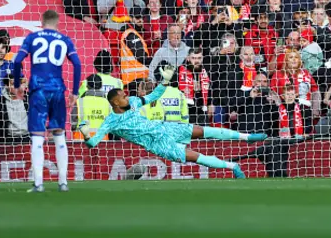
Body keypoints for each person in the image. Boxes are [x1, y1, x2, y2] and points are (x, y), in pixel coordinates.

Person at [78, 64, 268, 179]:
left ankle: (248, 137)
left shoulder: (134, 102)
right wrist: (87, 134)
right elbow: (93, 143)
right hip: (157, 143)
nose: (127, 97)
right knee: (194, 156)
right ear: (115, 102)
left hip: (165, 127)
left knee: (204, 130)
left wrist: (165, 81)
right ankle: (233, 167)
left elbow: (153, 96)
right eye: (123, 97)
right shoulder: (111, 122)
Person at [13, 10, 81, 192]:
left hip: (38, 90)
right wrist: (74, 92)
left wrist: (17, 84)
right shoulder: (64, 39)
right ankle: (63, 183)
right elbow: (77, 64)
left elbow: (17, 61)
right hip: (58, 90)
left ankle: (38, 184)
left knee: (37, 136)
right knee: (59, 134)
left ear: (41, 20)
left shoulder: (32, 38)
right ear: (57, 22)